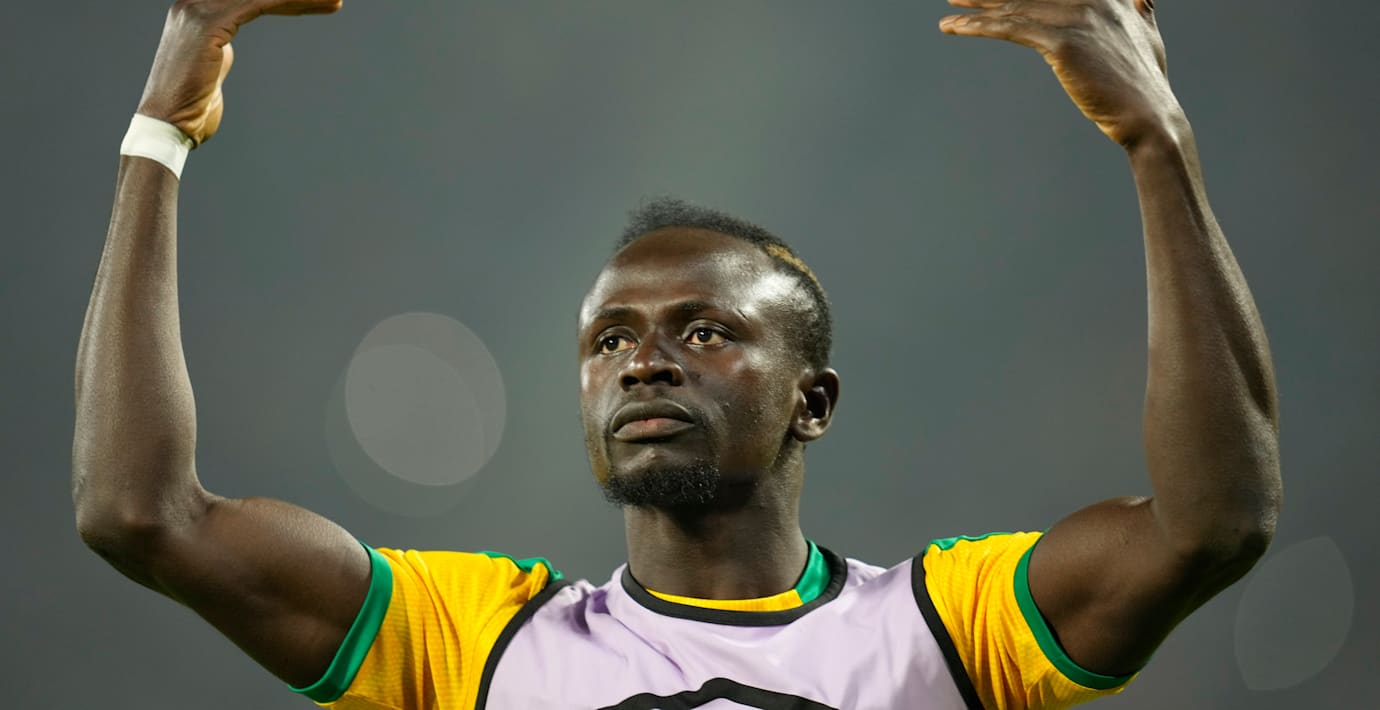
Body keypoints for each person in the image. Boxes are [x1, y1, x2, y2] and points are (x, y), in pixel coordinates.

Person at [73, 0, 1282, 708]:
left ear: (813, 399)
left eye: (704, 330)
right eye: (610, 339)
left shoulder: (950, 625)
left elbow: (1212, 524)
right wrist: (158, 133)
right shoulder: (472, 638)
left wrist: (1157, 142)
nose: (643, 363)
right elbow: (140, 512)